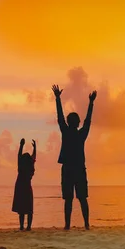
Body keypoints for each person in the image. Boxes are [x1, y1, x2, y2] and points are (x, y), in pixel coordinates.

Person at [51, 84, 97, 230]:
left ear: (70, 122)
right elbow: (88, 121)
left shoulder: (66, 132)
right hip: (78, 169)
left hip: (69, 169)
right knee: (82, 198)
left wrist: (58, 98)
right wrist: (91, 103)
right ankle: (86, 224)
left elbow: (60, 118)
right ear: (77, 123)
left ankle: (67, 225)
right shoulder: (80, 134)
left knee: (69, 199)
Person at [12, 138, 36, 231]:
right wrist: (35, 148)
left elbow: (19, 156)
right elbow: (33, 157)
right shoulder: (30, 167)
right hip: (26, 187)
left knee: (21, 209)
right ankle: (28, 227)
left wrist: (21, 145)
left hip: (20, 187)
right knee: (29, 208)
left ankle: (22, 226)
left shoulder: (21, 166)